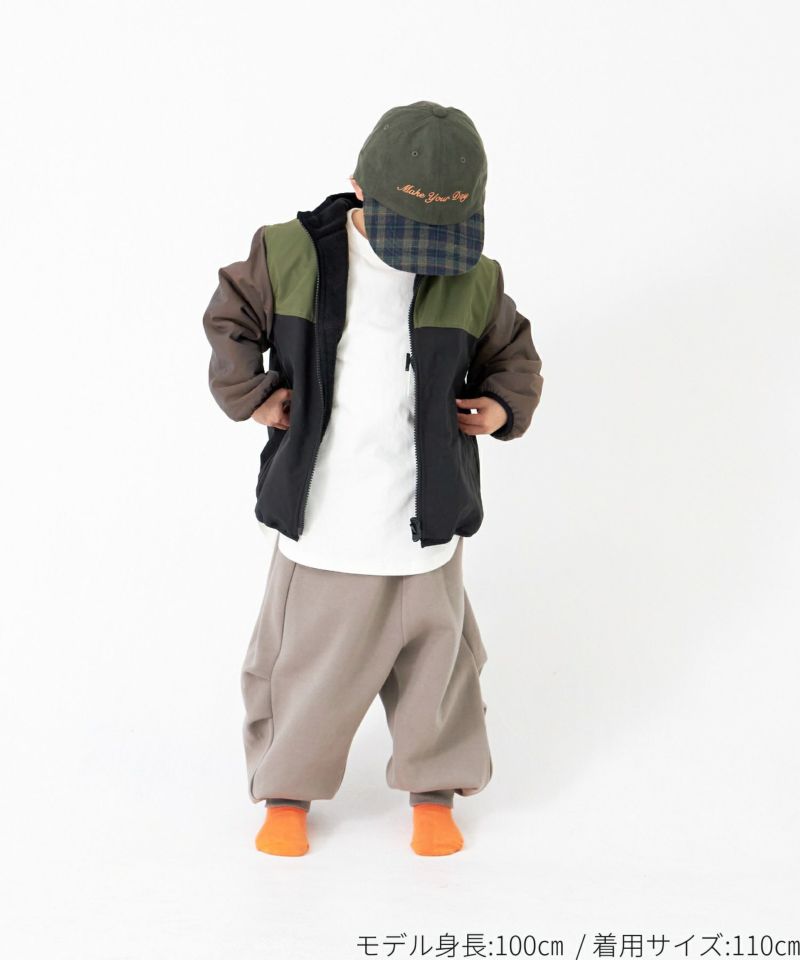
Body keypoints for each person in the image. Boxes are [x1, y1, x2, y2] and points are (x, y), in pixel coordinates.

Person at [202, 100, 544, 857]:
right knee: (303, 670)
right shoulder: (288, 253)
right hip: (328, 514)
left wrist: (500, 406)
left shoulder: (473, 276)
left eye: (442, 237)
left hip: (427, 519)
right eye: (409, 232)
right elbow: (229, 319)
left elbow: (513, 354)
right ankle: (286, 793)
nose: (425, 254)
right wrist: (253, 395)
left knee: (440, 669)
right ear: (358, 188)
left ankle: (435, 790)